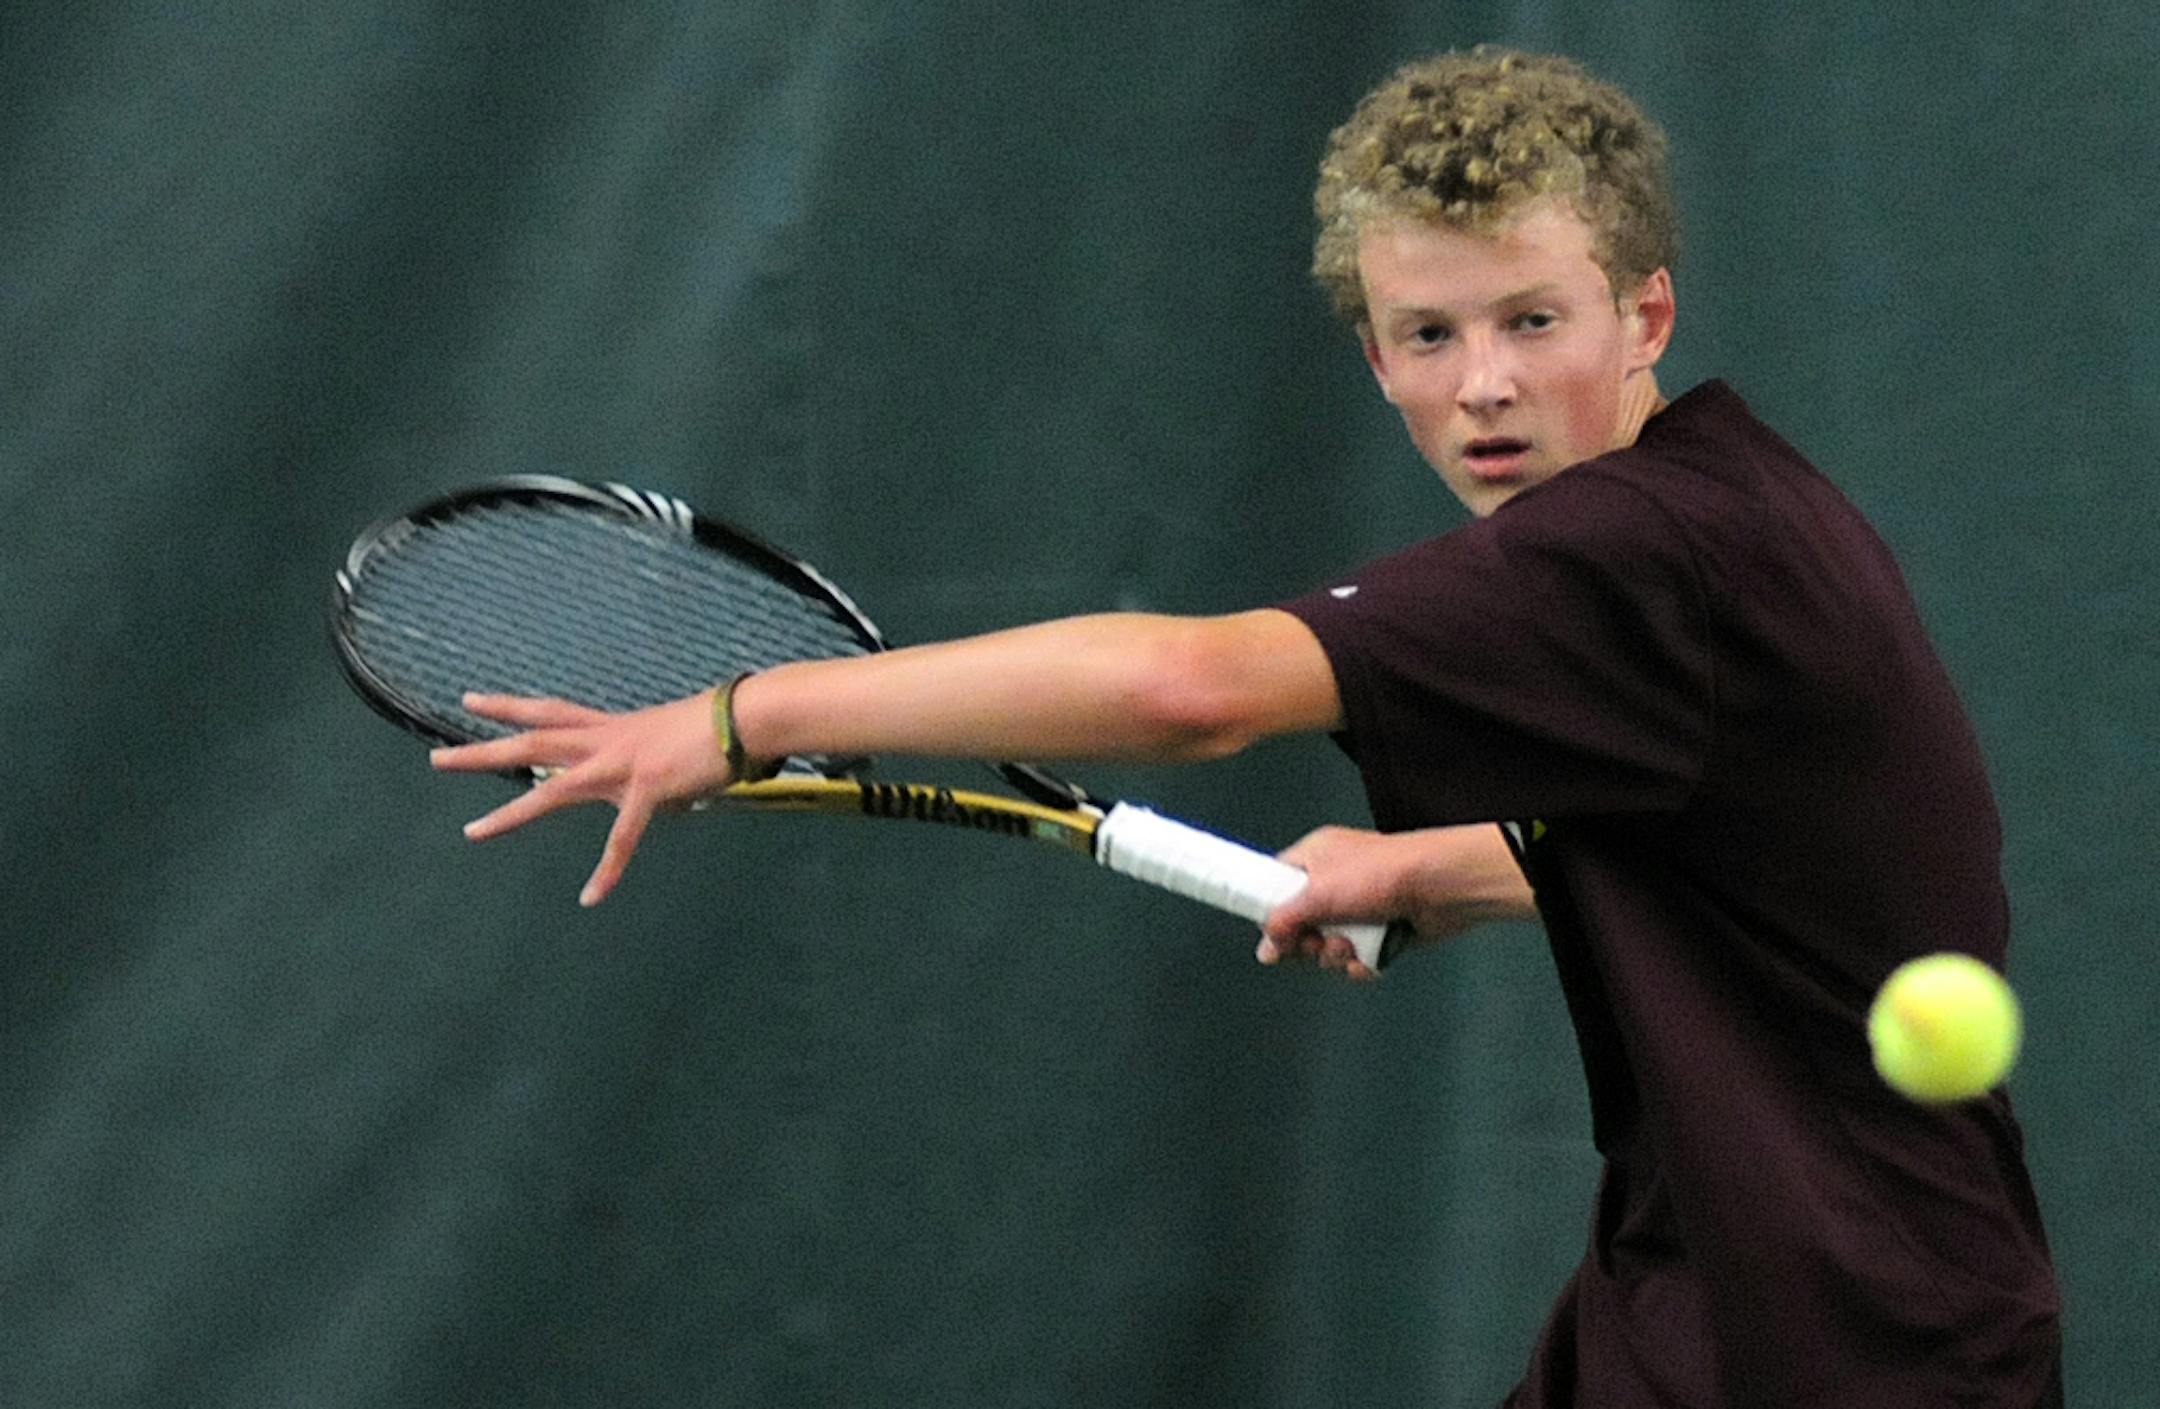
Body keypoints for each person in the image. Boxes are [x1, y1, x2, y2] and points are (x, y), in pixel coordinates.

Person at [433, 47, 2062, 1406]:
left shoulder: (1638, 546)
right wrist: (1438, 863)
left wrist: (744, 713)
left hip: (1835, 1348)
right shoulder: (1740, 503)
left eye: (1532, 320)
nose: (1482, 383)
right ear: (1374, 357)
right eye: (1430, 335)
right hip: (1742, 1299)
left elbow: (1186, 690)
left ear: (1645, 315)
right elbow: (1769, 857)